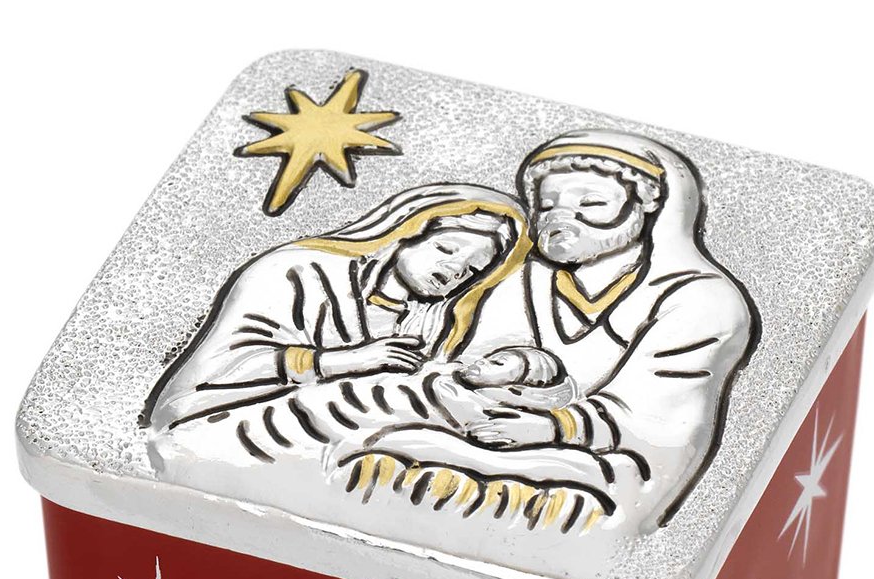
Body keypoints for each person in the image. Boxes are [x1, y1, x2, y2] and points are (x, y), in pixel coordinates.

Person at [457, 130, 758, 524]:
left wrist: (554, 427)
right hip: (499, 431)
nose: (562, 219)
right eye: (546, 206)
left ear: (645, 207)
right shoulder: (526, 279)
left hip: (613, 465)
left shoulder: (700, 299)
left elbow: (661, 421)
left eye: (592, 203)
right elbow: (468, 366)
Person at [146, 184, 529, 433]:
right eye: (445, 249)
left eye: (472, 271)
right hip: (220, 421)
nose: (454, 271)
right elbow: (206, 381)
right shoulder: (295, 273)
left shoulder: (426, 322)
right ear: (404, 234)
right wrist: (343, 362)